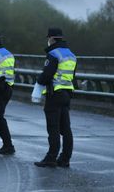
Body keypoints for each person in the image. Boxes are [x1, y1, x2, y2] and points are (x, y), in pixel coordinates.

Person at [34, 27, 77, 168]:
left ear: (51, 38)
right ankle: (65, 159)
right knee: (66, 129)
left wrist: (39, 81)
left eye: (48, 38)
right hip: (67, 93)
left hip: (54, 94)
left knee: (53, 128)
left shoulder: (53, 54)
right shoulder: (71, 54)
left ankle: (51, 158)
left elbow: (47, 75)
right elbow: (72, 76)